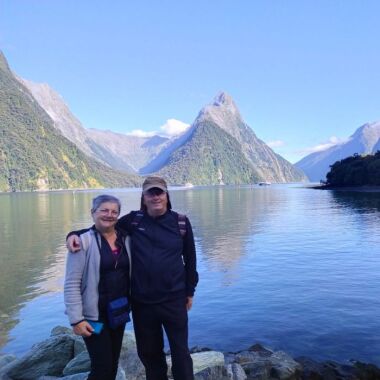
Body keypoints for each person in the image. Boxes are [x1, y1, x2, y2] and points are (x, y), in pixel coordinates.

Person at [67, 176, 199, 380]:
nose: (155, 197)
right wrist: (74, 233)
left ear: (166, 196)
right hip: (142, 304)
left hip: (174, 300)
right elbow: (103, 226)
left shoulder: (181, 222)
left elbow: (191, 259)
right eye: (150, 193)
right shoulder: (134, 221)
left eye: (159, 192)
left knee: (181, 353)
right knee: (149, 354)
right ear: (143, 197)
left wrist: (190, 291)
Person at [64, 194, 131, 380]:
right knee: (101, 367)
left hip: (118, 311)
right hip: (94, 316)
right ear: (93, 213)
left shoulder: (126, 238)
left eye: (114, 211)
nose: (109, 215)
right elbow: (71, 284)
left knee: (112, 365)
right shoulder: (82, 242)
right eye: (104, 210)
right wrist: (76, 320)